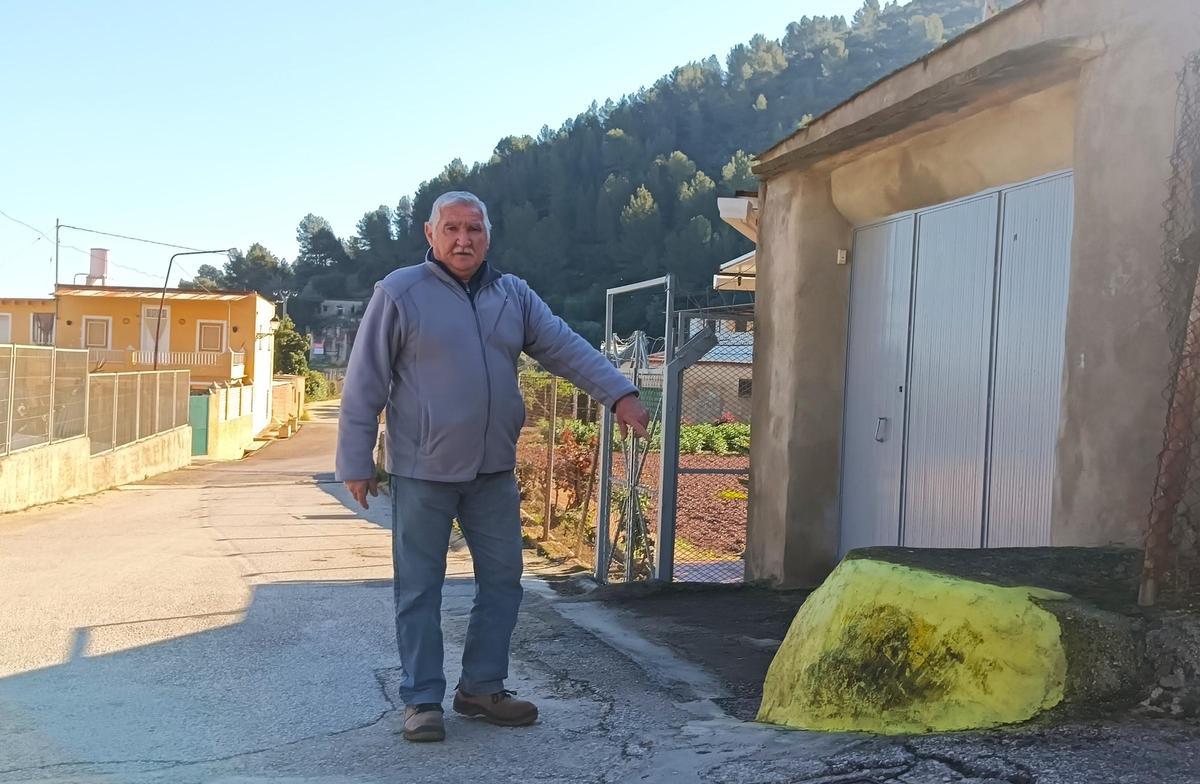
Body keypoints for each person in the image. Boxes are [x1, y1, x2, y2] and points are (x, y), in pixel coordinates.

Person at [336, 191, 650, 743]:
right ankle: (422, 699)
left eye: (474, 230)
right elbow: (364, 381)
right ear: (430, 235)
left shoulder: (513, 296)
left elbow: (565, 347)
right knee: (419, 588)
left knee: (504, 581)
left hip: (492, 471)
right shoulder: (401, 291)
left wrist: (619, 393)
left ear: (488, 236)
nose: (464, 240)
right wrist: (356, 460)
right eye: (452, 228)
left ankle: (481, 688)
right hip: (421, 470)